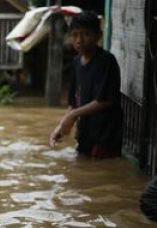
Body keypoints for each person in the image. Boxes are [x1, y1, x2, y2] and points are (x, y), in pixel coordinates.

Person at [50, 10, 123, 160]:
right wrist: (61, 126)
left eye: (86, 34)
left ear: (99, 36)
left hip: (105, 137)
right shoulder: (76, 62)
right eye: (75, 34)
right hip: (85, 135)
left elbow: (105, 100)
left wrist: (73, 115)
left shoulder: (107, 61)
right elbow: (74, 102)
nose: (79, 40)